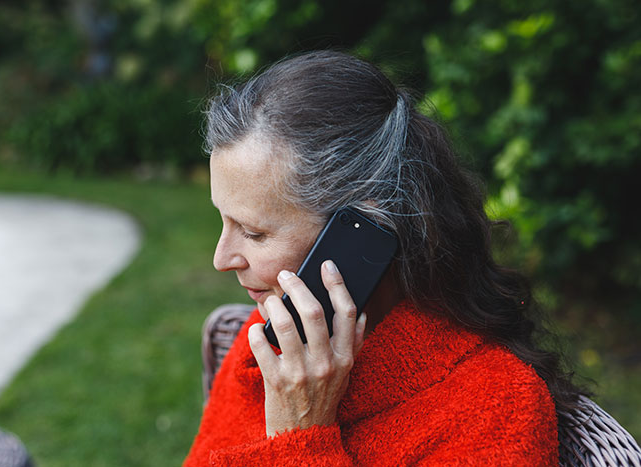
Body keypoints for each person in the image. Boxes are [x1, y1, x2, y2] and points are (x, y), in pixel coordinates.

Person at [185, 50, 583, 465]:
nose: (221, 258)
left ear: (363, 232)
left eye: (254, 232)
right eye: (224, 222)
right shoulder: (279, 334)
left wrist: (299, 437)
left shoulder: (495, 408)